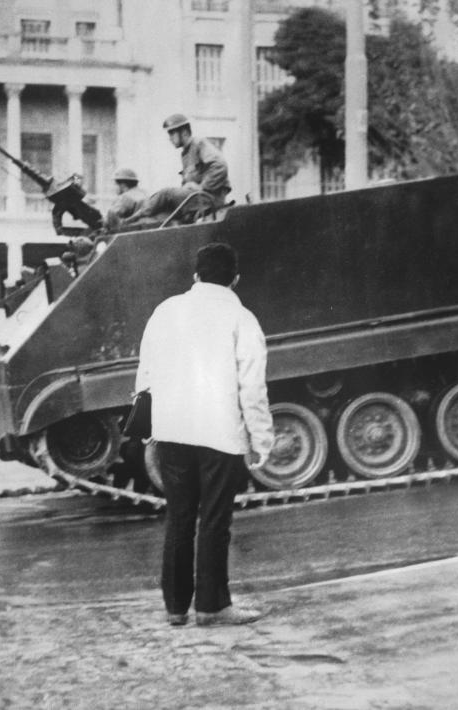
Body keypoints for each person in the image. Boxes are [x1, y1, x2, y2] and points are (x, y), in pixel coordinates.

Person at [135, 242, 274, 627]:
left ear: (194, 276)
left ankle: (175, 607)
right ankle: (212, 607)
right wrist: (262, 439)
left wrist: (148, 433)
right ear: (235, 279)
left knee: (179, 518)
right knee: (214, 520)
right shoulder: (242, 318)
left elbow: (144, 376)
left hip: (172, 433)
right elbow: (252, 389)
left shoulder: (164, 311)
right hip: (220, 435)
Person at [123, 113, 231, 227]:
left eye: (172, 133)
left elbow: (219, 165)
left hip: (209, 200)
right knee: (159, 216)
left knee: (166, 193)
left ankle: (134, 217)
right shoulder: (185, 153)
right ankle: (130, 225)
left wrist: (202, 187)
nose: (170, 138)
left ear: (184, 133)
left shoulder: (199, 144)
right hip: (196, 201)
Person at [103, 167, 148, 232]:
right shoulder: (144, 193)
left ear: (122, 185)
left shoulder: (125, 197)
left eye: (114, 184)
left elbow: (111, 217)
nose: (113, 188)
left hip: (128, 234)